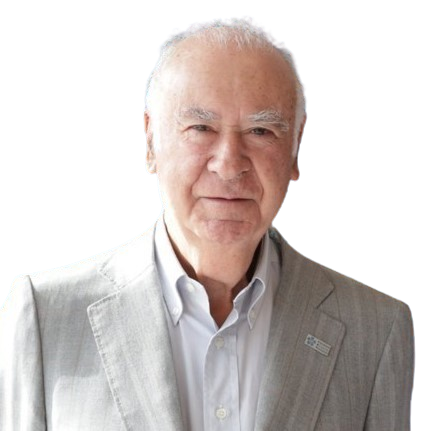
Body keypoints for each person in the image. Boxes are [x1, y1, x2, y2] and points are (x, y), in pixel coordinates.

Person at [0, 16, 415, 431]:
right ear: (150, 140)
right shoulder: (45, 315)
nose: (229, 164)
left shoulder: (375, 329)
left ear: (296, 145)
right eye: (201, 128)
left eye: (261, 130)